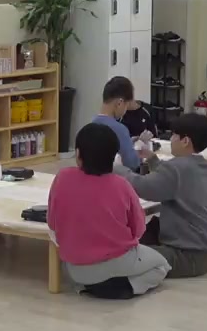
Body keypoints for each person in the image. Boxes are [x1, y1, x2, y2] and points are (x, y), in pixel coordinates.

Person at [47, 123, 169, 299]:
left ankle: (89, 286)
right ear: (114, 157)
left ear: (78, 154)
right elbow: (138, 229)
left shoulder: (62, 177)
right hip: (117, 261)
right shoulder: (121, 185)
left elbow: (52, 222)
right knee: (161, 265)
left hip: (74, 268)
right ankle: (128, 287)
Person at [123, 113, 207, 278]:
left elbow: (145, 188)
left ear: (185, 141)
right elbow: (174, 180)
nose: (171, 139)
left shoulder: (177, 167)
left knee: (128, 257)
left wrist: (118, 170)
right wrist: (152, 159)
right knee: (148, 230)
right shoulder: (201, 165)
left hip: (187, 256)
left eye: (174, 135)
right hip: (204, 252)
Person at [92, 76, 142, 171]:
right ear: (119, 103)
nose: (125, 111)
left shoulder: (91, 124)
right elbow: (132, 163)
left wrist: (128, 142)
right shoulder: (120, 129)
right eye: (126, 106)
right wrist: (140, 145)